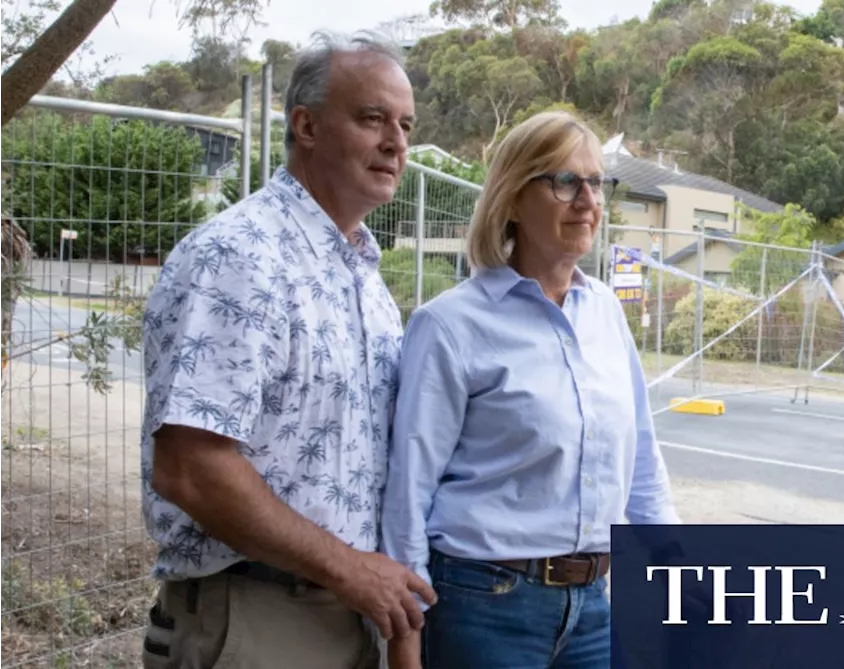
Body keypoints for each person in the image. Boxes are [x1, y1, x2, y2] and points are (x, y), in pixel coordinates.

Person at [137, 29, 435, 669]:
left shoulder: (366, 282)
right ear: (306, 125)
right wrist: (349, 569)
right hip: (256, 620)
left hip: (350, 616)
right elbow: (191, 466)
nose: (396, 143)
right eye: (372, 119)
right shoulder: (239, 258)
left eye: (405, 125)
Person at [379, 110, 682, 669]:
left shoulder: (607, 315)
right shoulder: (450, 325)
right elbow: (409, 488)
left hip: (592, 606)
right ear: (513, 199)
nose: (587, 200)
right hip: (484, 606)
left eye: (596, 182)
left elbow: (641, 456)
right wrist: (404, 638)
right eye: (564, 181)